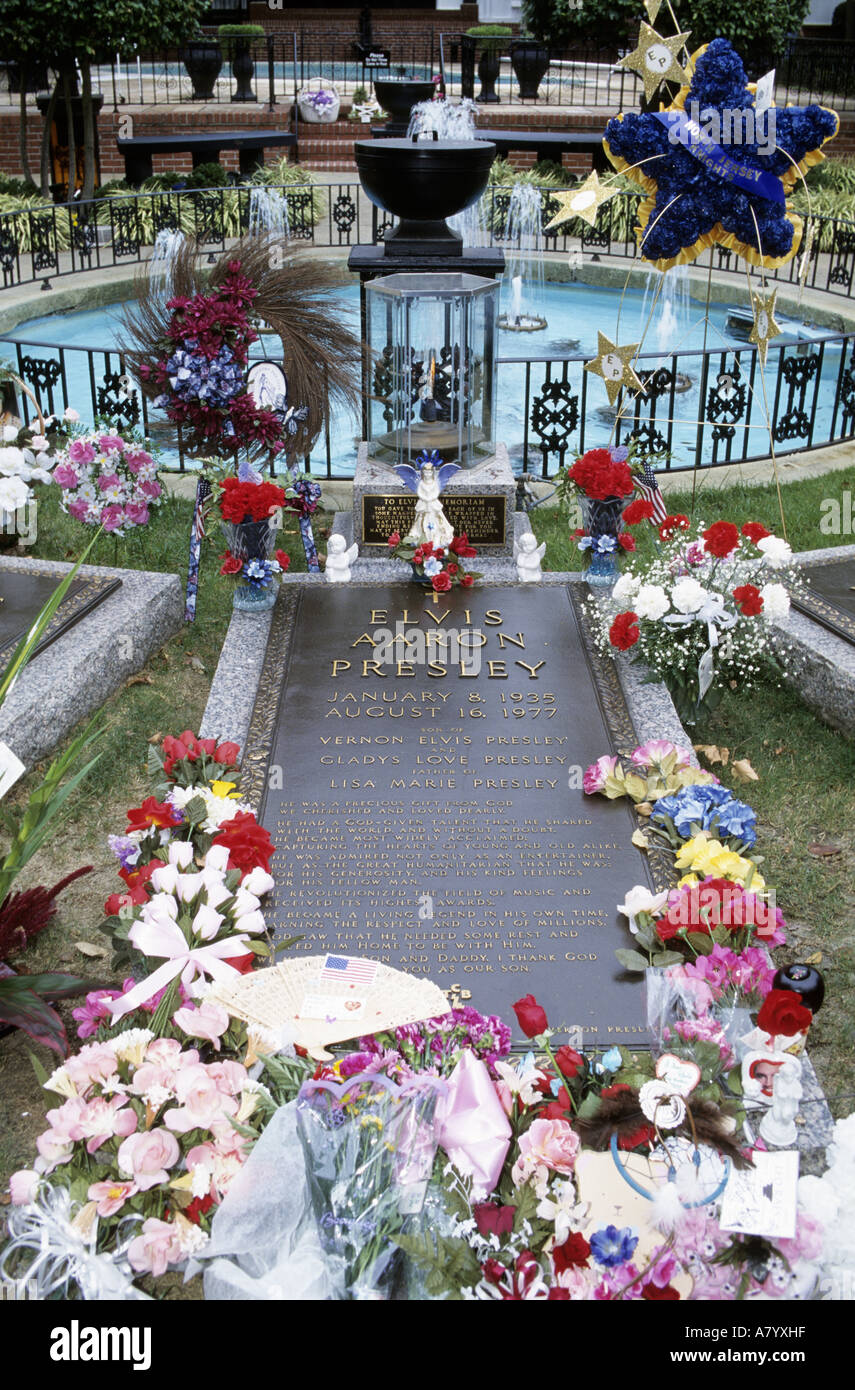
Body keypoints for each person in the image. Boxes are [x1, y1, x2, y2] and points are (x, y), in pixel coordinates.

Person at [404, 460, 455, 551]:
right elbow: (419, 492)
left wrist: (430, 499)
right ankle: (421, 537)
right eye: (425, 472)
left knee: (437, 520)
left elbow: (436, 492)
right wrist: (425, 498)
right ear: (423, 473)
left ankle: (436, 539)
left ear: (432, 472)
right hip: (424, 504)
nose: (427, 474)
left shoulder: (434, 483)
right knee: (420, 519)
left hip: (432, 504)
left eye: (429, 472)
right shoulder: (421, 483)